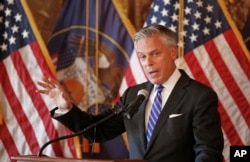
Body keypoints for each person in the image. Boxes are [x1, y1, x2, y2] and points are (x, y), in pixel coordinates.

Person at [37, 24, 224, 162]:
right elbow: (98, 131)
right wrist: (66, 107)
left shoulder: (199, 96)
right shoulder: (134, 95)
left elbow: (208, 152)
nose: (148, 62)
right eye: (142, 56)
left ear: (173, 52)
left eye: (155, 54)